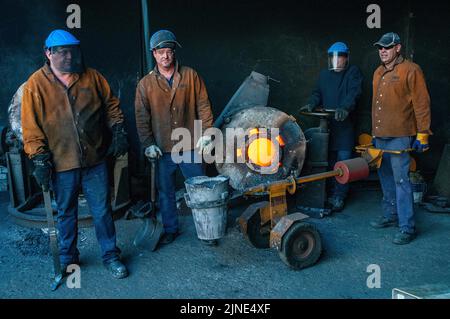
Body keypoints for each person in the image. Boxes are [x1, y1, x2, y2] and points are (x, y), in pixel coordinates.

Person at [21, 29, 129, 278]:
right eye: (62, 52)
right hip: (61, 162)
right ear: (48, 53)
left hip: (94, 159)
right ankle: (69, 259)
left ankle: (111, 256)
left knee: (101, 210)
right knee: (66, 212)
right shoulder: (35, 85)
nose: (69, 57)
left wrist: (119, 130)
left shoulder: (92, 77)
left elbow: (111, 104)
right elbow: (31, 126)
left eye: (73, 51)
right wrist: (39, 158)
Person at [135, 30, 215, 246]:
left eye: (169, 52)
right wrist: (148, 144)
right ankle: (171, 229)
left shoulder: (190, 75)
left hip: (189, 144)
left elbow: (203, 105)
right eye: (161, 52)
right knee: (165, 193)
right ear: (154, 53)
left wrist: (207, 133)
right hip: (162, 148)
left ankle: (207, 229)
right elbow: (142, 118)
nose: (165, 57)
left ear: (174, 52)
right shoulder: (145, 84)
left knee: (200, 188)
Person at [369, 32, 431, 244]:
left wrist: (423, 133)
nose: (383, 51)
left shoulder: (411, 70)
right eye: (380, 48)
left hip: (400, 137)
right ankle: (390, 215)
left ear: (398, 48)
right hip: (380, 136)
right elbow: (375, 107)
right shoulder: (378, 72)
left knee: (401, 181)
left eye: (387, 47)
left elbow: (421, 104)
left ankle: (407, 227)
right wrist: (373, 134)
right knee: (385, 179)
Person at [300, 42, 363, 211]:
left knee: (343, 164)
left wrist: (345, 107)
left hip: (345, 129)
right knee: (328, 162)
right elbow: (317, 93)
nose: (336, 62)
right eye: (333, 58)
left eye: (339, 58)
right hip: (328, 129)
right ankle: (324, 195)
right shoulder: (324, 75)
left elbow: (354, 92)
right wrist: (311, 104)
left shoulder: (352, 73)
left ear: (346, 58)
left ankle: (339, 197)